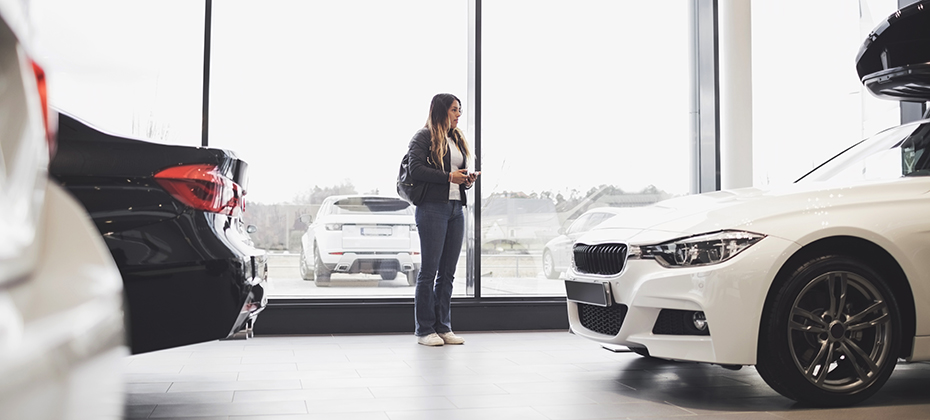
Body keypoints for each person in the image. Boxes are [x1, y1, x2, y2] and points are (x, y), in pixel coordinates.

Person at [406, 93, 479, 346]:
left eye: (460, 110)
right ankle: (424, 330)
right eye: (454, 110)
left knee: (447, 273)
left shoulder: (456, 138)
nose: (459, 114)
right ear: (441, 111)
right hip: (431, 209)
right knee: (429, 272)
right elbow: (416, 169)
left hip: (455, 209)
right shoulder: (423, 136)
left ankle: (443, 327)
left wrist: (466, 180)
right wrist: (449, 177)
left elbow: (455, 174)